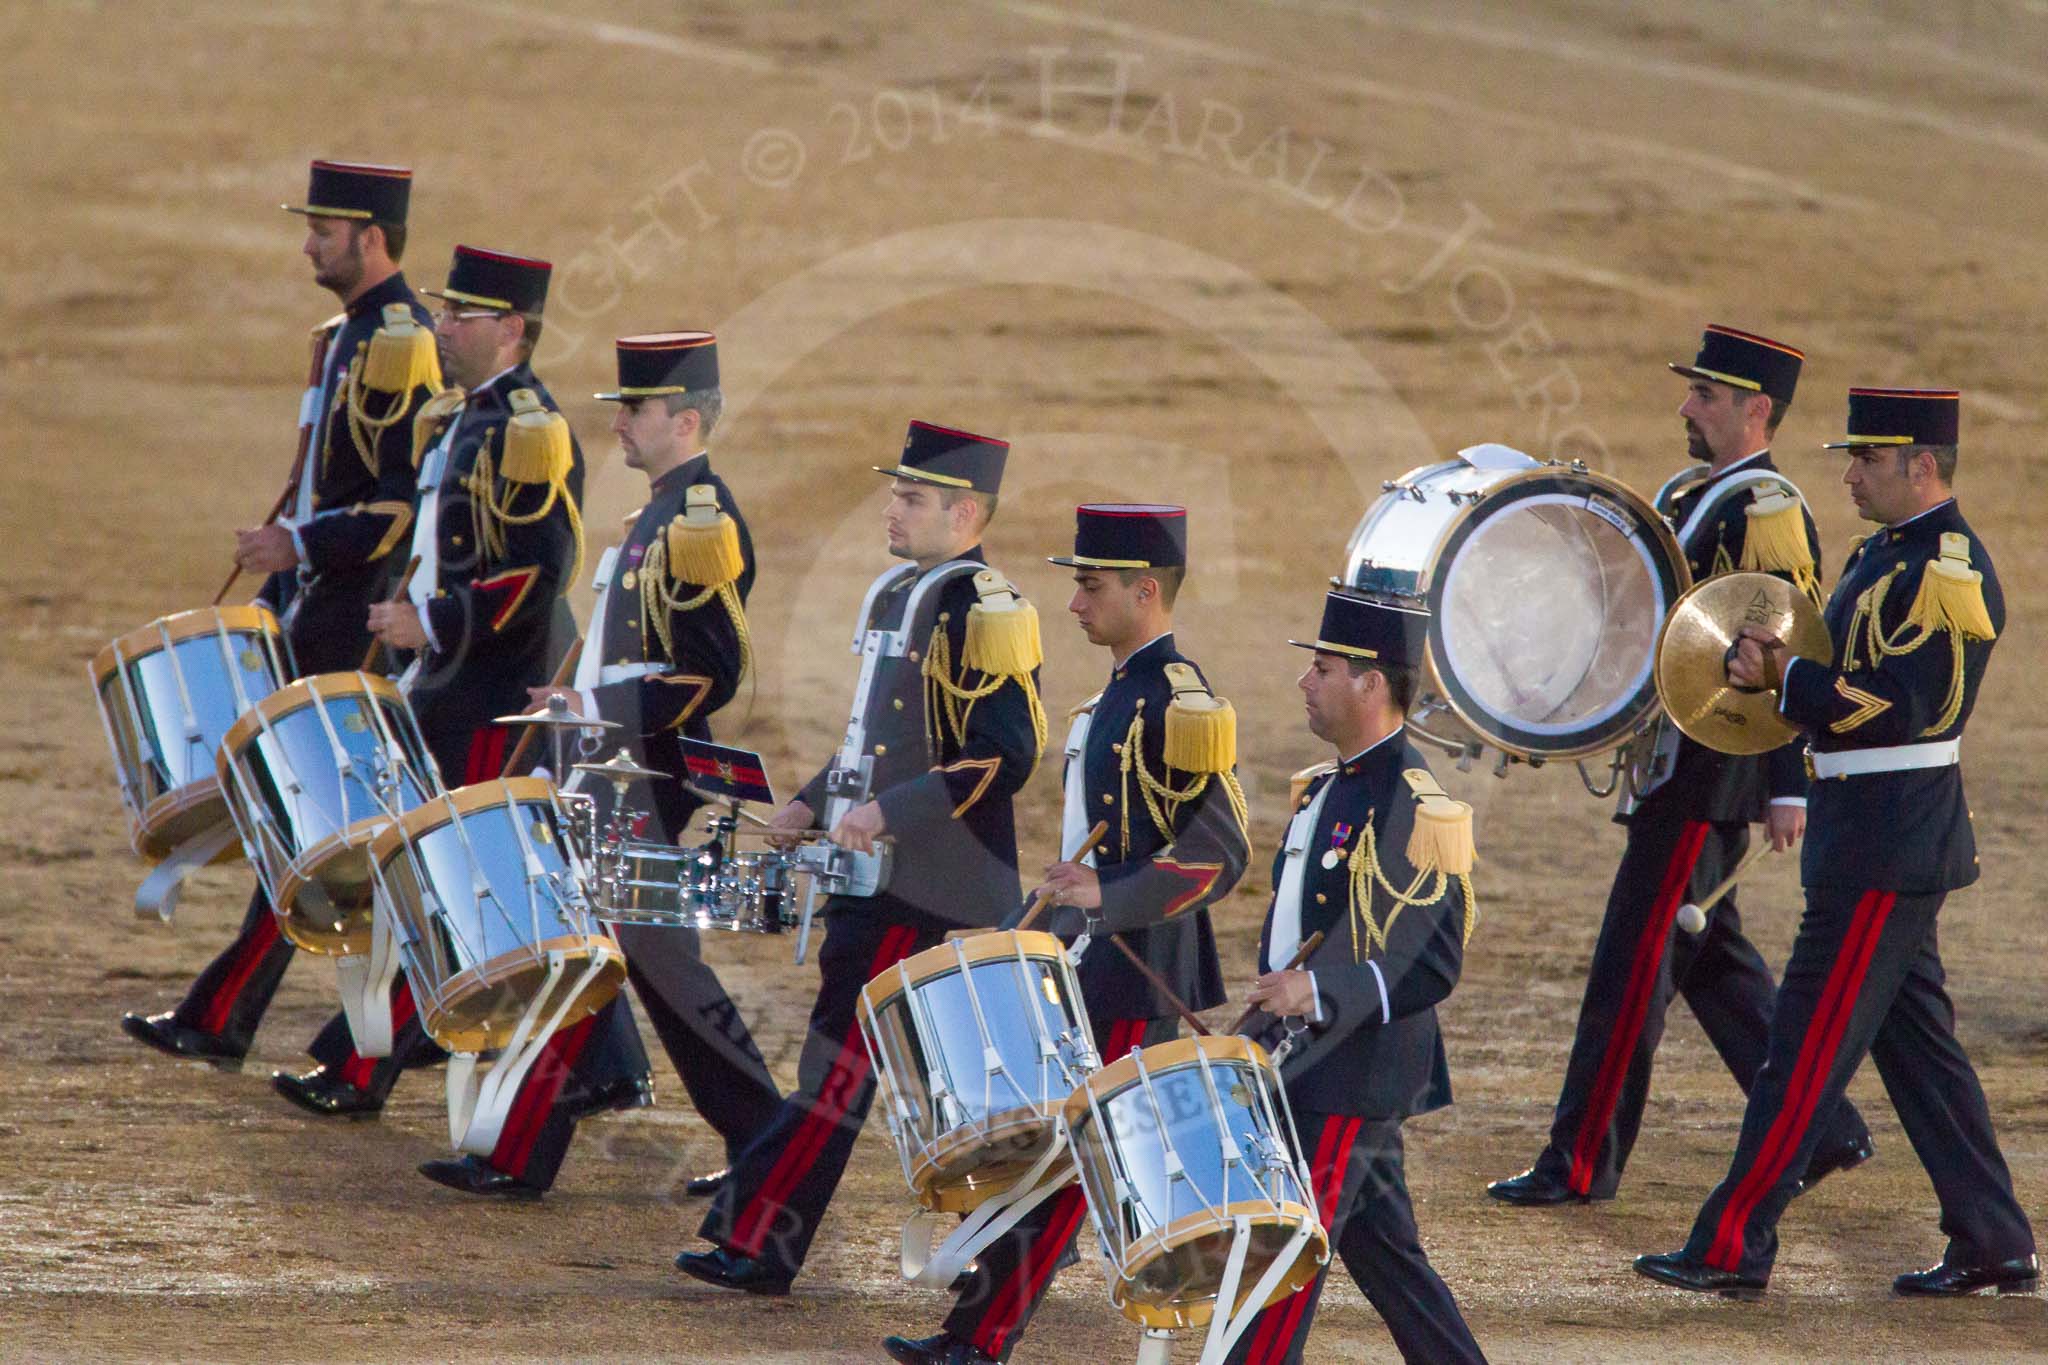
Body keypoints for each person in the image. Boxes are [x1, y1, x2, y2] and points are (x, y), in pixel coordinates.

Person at [1636, 387, 2037, 1298]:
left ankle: (1734, 1241)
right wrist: (1784, 672)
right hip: (1878, 841)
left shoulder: (1947, 572)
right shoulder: (1888, 556)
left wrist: (1792, 678)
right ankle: (1992, 1234)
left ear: (1922, 464)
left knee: (1805, 1051)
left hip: (1884, 848)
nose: (1850, 474)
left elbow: (1900, 707)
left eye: (1869, 459)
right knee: (1920, 1054)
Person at [1490, 325, 1870, 1207]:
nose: (1686, 406)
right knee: (1711, 957)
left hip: (1714, 773)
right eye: (1692, 391)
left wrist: (1786, 785)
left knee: (1630, 971)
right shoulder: (1690, 491)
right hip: (1677, 763)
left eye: (1705, 395)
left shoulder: (1766, 509)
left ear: (1756, 409)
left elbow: (1784, 647)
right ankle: (1823, 1128)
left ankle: (1579, 1161)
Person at [676, 421, 1043, 1294]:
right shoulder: (899, 593)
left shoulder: (986, 608)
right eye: (895, 492)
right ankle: (996, 1251)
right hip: (887, 882)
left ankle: (761, 1239)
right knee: (946, 1089)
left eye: (911, 497)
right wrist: (814, 796)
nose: (891, 508)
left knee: (847, 1073)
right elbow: (879, 743)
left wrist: (886, 811)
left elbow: (1002, 754)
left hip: (930, 891)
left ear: (965, 511)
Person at [418, 331, 782, 1199]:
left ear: (685, 419)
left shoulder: (700, 523)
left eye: (637, 410)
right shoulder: (659, 514)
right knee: (594, 955)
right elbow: (628, 648)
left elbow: (710, 672)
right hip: (607, 769)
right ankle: (532, 1149)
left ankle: (766, 1140)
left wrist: (599, 709)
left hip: (641, 779)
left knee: (647, 964)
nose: (619, 424)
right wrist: (571, 690)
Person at [884, 504, 1251, 1365]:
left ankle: (978, 1338)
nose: (1075, 602)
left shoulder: (1179, 702)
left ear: (1145, 590)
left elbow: (1221, 852)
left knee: (1075, 1159)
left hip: (1140, 967)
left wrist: (1108, 894)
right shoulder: (1116, 695)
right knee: (1083, 1159)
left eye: (1091, 585)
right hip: (1095, 961)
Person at [273, 243, 614, 1125]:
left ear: (512, 328)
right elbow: (434, 550)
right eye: (445, 311)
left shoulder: (529, 431)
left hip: (493, 690)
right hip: (447, 682)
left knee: (448, 881)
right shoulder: (459, 418)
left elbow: (540, 573)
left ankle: (360, 1068)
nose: (444, 327)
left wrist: (438, 624)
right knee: (461, 883)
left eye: (462, 315)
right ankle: (606, 1058)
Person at [121, 159, 435, 1070]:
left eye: (324, 230)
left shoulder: (396, 343)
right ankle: (232, 1014)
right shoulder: (350, 333)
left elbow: (395, 505)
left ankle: (231, 1016)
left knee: (307, 827)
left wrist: (299, 548)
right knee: (298, 823)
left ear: (371, 236)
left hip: (350, 613)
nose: (308, 243)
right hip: (315, 601)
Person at [1220, 590, 1486, 1364]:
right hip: (1315, 1064)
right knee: (1387, 1258)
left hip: (1352, 1069)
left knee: (1280, 1267)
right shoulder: (1327, 786)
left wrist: (1319, 992)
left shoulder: (1416, 803)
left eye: (1323, 667)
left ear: (1373, 683)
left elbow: (1433, 961)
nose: (1305, 681)